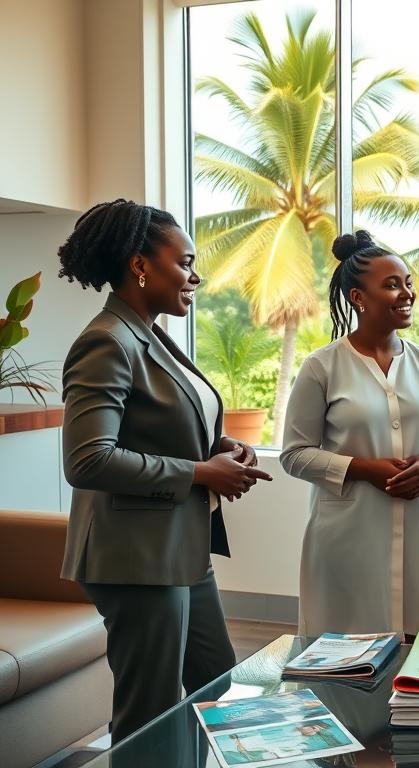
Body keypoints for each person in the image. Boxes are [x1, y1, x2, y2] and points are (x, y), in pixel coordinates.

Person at [57, 199, 272, 743]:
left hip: (179, 549)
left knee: (217, 685)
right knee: (148, 713)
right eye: (185, 263)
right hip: (136, 557)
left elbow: (160, 421)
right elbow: (88, 459)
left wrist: (222, 445)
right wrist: (201, 472)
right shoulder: (106, 340)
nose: (195, 276)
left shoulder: (148, 332)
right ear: (140, 266)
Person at [280, 230, 419, 638]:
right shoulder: (321, 367)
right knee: (344, 654)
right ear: (358, 298)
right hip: (346, 539)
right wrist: (364, 469)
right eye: (392, 285)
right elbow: (294, 454)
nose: (407, 294)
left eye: (408, 283)